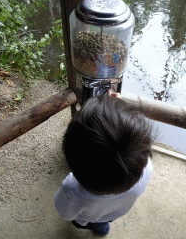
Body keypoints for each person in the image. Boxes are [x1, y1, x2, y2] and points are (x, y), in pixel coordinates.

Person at [54, 92, 154, 236]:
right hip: (113, 213)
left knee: (90, 221)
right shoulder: (147, 168)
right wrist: (119, 109)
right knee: (102, 222)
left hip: (86, 218)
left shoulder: (71, 190)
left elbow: (65, 213)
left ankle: (98, 227)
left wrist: (116, 110)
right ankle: (101, 229)